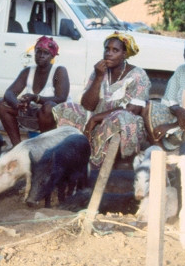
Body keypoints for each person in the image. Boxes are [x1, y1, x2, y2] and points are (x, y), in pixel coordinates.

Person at [49, 32, 151, 167]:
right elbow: (87, 105)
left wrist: (96, 118)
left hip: (123, 122)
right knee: (65, 108)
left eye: (115, 50)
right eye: (107, 49)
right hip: (95, 117)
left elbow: (133, 109)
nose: (109, 53)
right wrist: (98, 77)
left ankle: (117, 163)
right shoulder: (99, 71)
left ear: (124, 54)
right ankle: (57, 156)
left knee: (122, 117)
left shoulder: (138, 75)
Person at [0, 36, 70, 145]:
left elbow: (61, 98)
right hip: (35, 113)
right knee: (2, 104)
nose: (41, 55)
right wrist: (17, 104)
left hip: (55, 118)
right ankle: (17, 146)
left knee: (48, 107)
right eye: (38, 51)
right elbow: (10, 92)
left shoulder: (58, 71)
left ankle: (46, 147)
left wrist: (36, 98)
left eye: (46, 53)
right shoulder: (28, 71)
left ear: (52, 56)